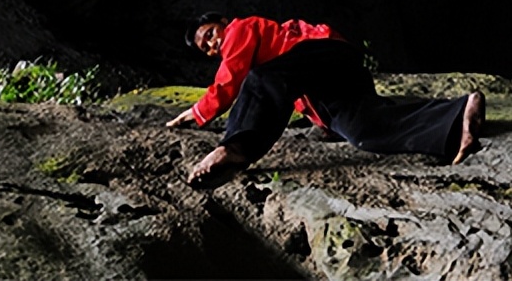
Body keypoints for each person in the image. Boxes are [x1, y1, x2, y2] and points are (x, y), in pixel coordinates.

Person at [167, 13, 485, 189]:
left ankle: (234, 150)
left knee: (260, 79)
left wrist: (197, 112)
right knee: (364, 132)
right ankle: (457, 117)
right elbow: (294, 93)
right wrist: (327, 125)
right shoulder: (280, 74)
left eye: (209, 33)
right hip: (333, 81)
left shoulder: (242, 29)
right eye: (206, 47)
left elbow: (230, 78)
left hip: (323, 53)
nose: (212, 43)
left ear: (223, 22)